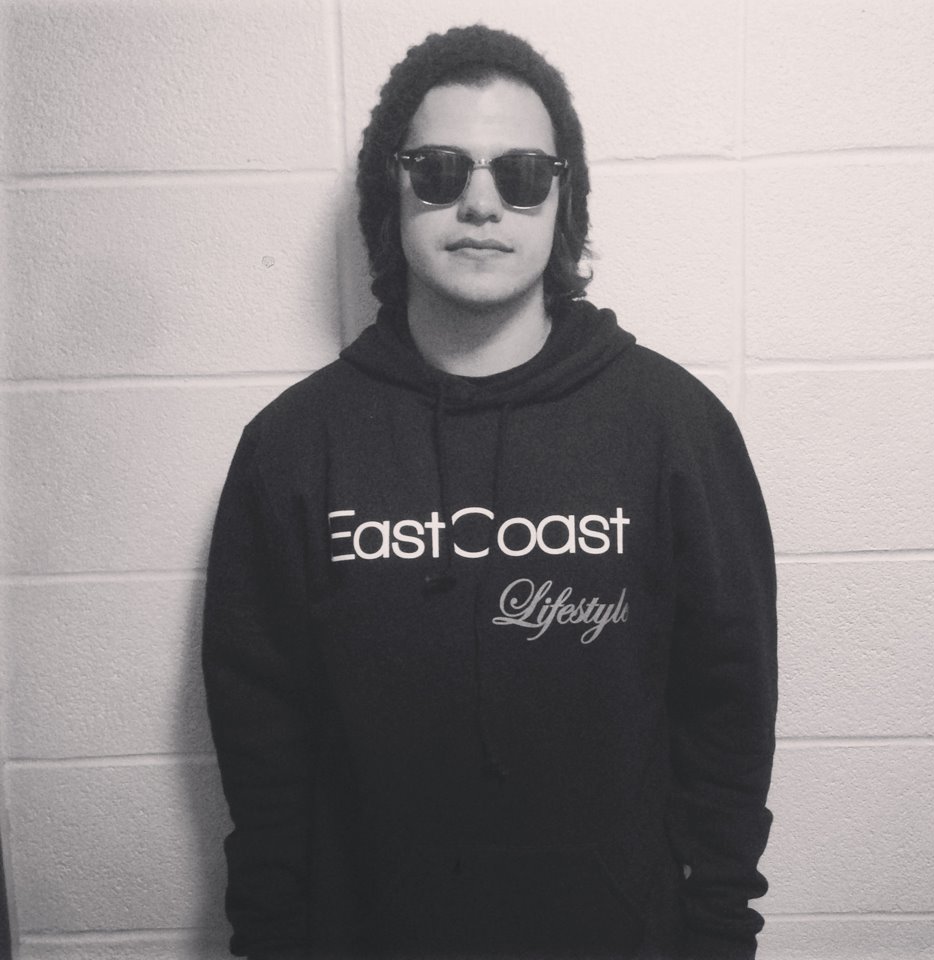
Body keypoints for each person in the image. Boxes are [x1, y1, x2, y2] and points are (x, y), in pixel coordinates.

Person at [202, 24, 777, 960]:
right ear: (389, 193)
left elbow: (730, 717)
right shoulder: (293, 448)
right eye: (438, 171)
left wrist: (720, 936)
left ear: (562, 199)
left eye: (521, 174)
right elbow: (261, 748)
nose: (480, 203)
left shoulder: (675, 429)